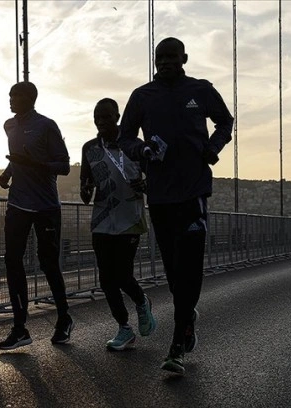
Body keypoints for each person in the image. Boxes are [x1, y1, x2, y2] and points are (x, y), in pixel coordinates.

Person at [119, 37, 234, 374]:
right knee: (173, 271)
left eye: (172, 56)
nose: (166, 62)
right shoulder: (142, 96)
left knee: (191, 266)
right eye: (160, 57)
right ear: (155, 61)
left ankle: (177, 345)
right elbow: (125, 137)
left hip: (195, 191)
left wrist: (213, 148)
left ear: (184, 57)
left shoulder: (200, 89)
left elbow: (226, 121)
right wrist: (142, 151)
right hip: (160, 195)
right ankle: (188, 317)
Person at [0, 81, 73, 350]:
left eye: (17, 96)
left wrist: (36, 165)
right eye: (10, 95)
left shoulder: (46, 125)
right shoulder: (9, 125)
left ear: (31, 98)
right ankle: (19, 327)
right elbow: (17, 157)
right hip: (17, 203)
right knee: (12, 261)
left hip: (45, 206)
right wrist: (8, 173)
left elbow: (64, 165)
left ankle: (64, 318)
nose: (11, 100)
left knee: (48, 263)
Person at [80, 98, 157, 351]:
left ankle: (141, 300)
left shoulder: (133, 145)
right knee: (106, 279)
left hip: (129, 219)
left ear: (117, 116)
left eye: (106, 117)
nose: (101, 122)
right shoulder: (90, 148)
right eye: (97, 117)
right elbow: (85, 188)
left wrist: (146, 184)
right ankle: (124, 328)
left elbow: (155, 175)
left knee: (122, 275)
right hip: (102, 220)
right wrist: (86, 189)